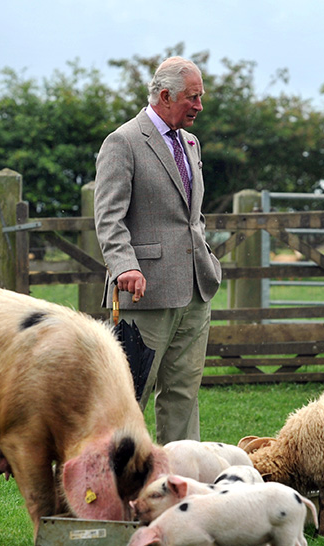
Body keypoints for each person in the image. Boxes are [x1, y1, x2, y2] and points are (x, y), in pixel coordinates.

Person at [94, 56, 222, 445]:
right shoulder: (123, 142)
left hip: (196, 290)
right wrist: (124, 266)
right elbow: (108, 217)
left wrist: (205, 255)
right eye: (192, 97)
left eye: (200, 96)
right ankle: (113, 474)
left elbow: (190, 215)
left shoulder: (190, 143)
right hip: (143, 293)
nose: (199, 106)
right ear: (165, 96)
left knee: (183, 396)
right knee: (128, 397)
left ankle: (179, 477)